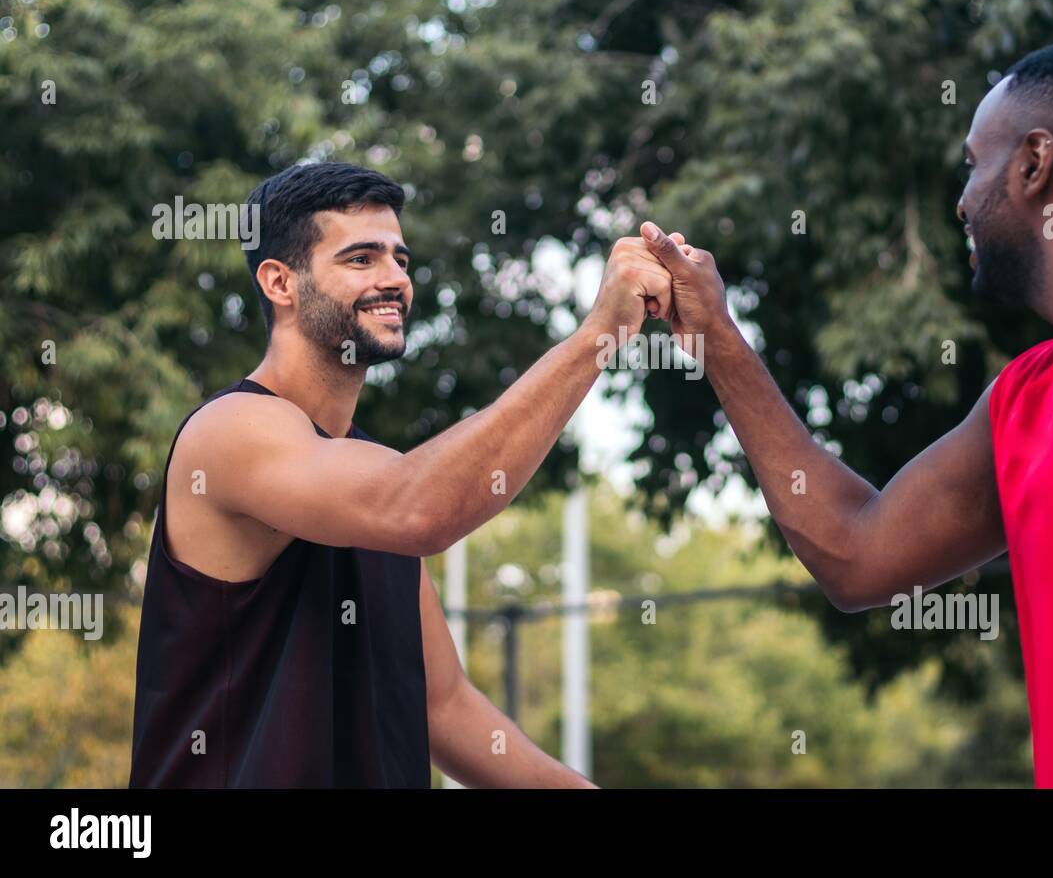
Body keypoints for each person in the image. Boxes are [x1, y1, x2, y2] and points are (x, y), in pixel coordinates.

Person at [641, 41, 1053, 787]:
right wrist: (717, 338)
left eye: (971, 164)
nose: (961, 200)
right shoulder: (1024, 398)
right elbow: (856, 556)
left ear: (1033, 163)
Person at [130, 162, 673, 787]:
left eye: (401, 260)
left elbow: (443, 709)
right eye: (361, 259)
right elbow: (420, 509)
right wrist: (600, 334)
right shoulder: (232, 431)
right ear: (280, 282)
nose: (395, 280)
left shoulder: (366, 478)